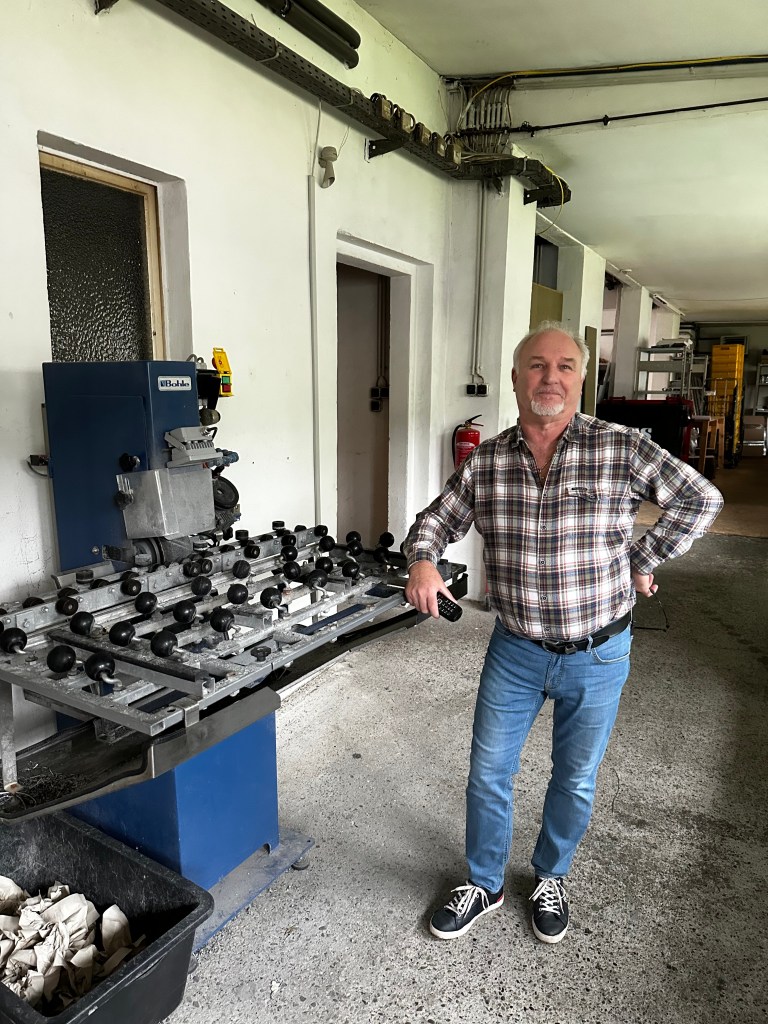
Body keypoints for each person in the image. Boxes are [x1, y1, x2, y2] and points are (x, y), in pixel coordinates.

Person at [403, 321, 723, 944]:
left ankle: (550, 876)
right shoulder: (487, 461)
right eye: (537, 365)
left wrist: (642, 558)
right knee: (488, 773)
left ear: (581, 379)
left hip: (598, 653)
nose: (550, 377)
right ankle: (485, 882)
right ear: (515, 378)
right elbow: (435, 521)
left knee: (574, 778)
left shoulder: (621, 447)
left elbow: (700, 500)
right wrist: (422, 560)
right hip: (515, 651)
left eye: (565, 366)